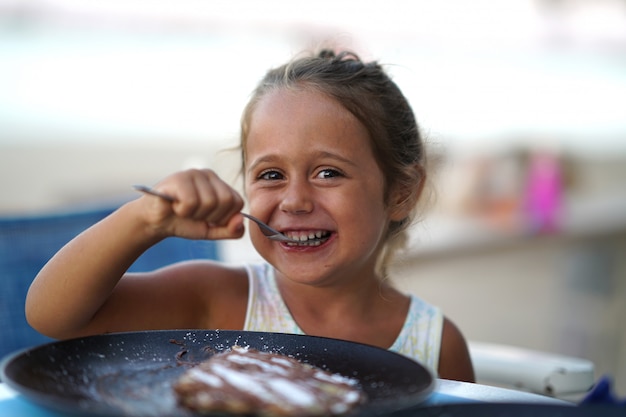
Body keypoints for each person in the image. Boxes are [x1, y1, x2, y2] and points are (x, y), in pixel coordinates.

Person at [26, 49, 475, 382]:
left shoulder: (436, 345)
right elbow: (52, 316)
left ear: (400, 192)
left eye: (328, 172)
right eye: (272, 174)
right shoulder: (215, 301)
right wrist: (145, 220)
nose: (295, 200)